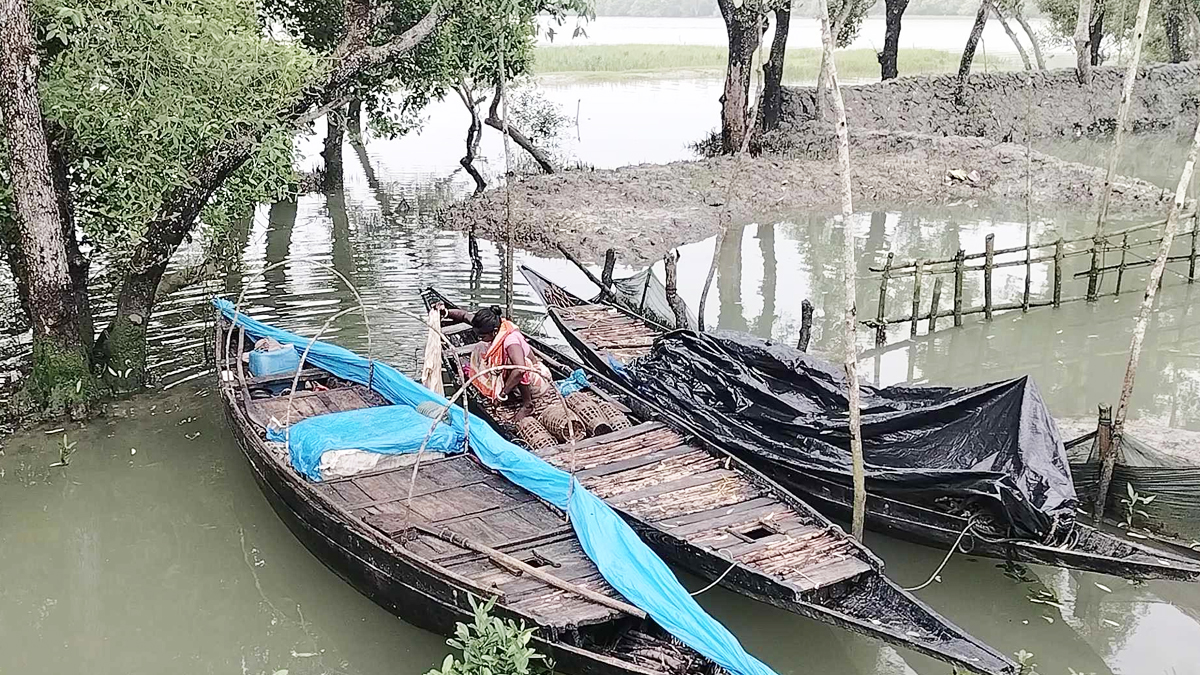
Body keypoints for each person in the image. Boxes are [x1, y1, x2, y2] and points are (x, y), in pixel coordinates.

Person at [438, 303, 550, 420]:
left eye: (482, 336)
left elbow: (521, 369)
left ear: (495, 332)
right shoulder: (487, 326)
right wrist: (445, 312)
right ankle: (502, 389)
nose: (479, 338)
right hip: (517, 376)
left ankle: (527, 404)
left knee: (516, 364)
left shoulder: (510, 340)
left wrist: (501, 395)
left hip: (536, 380)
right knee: (481, 346)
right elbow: (464, 315)